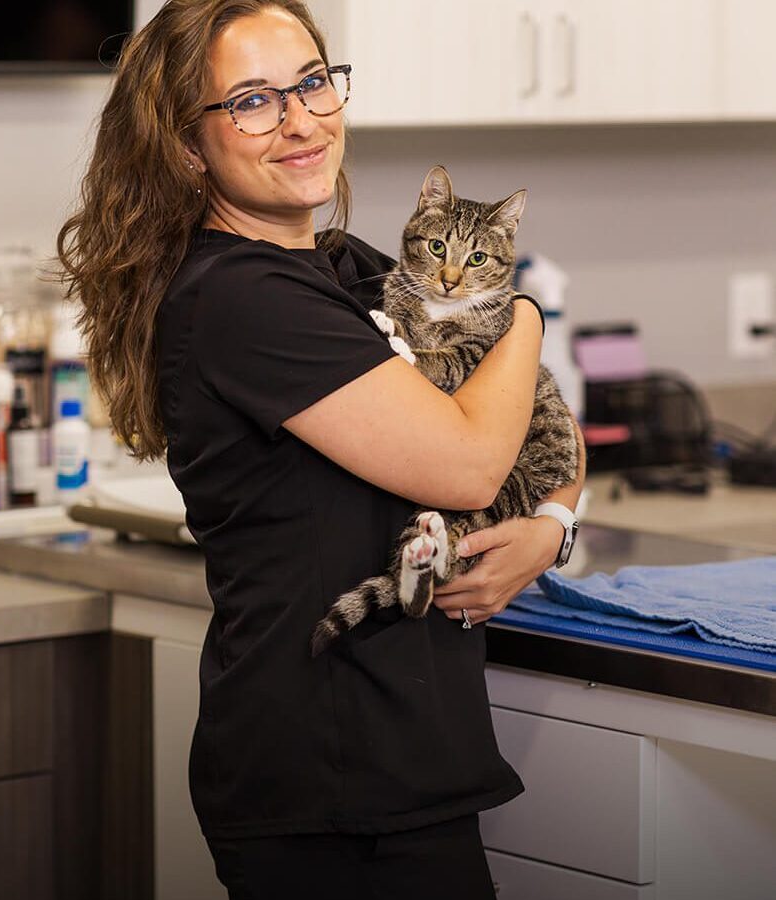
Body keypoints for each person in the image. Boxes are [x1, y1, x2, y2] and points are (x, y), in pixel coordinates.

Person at [58, 2, 586, 897]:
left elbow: (546, 428)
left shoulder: (346, 265)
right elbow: (468, 463)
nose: (301, 119)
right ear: (188, 145)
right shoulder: (241, 297)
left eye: (311, 82)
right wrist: (526, 310)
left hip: (409, 754)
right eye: (254, 101)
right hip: (330, 776)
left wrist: (552, 525)